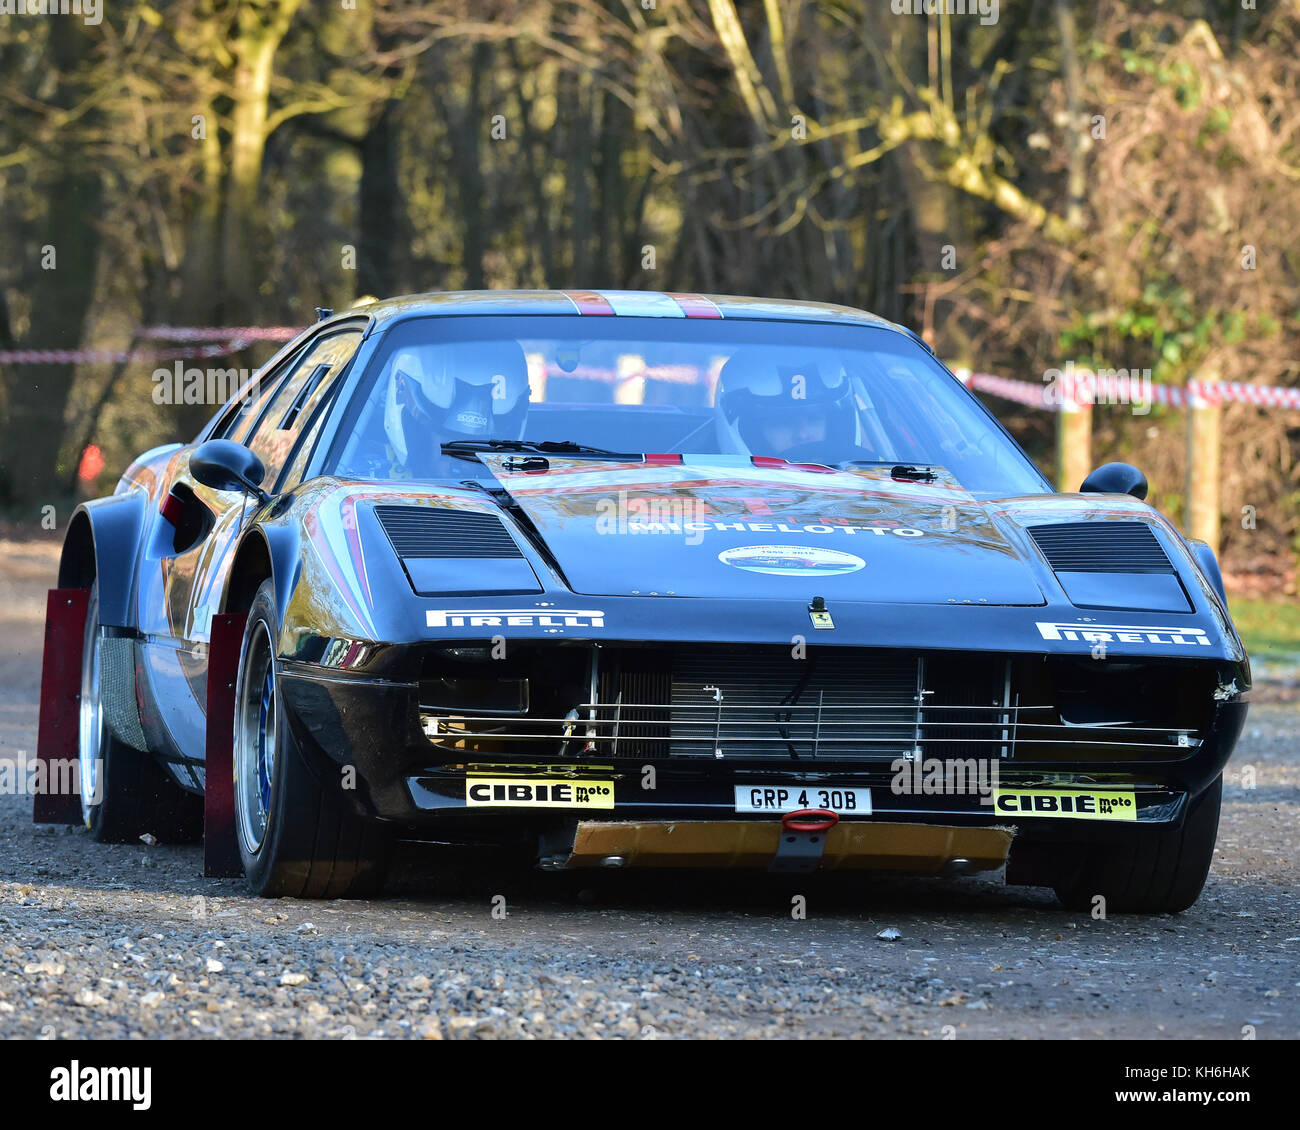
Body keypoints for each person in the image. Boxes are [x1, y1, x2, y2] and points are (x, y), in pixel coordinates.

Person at [382, 339, 530, 477]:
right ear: (414, 430)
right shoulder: (369, 474)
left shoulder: (527, 491)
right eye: (447, 433)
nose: (461, 451)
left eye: (479, 440)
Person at [715, 348, 875, 464]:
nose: (803, 435)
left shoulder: (873, 486)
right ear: (751, 430)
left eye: (814, 419)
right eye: (784, 422)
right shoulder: (698, 493)